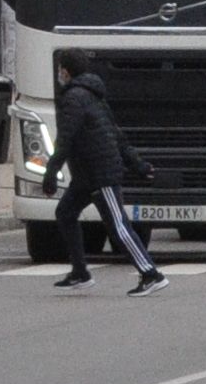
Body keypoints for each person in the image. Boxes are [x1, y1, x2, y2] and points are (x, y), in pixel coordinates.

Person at [50, 61, 164, 293]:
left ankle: (151, 274)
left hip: (99, 174)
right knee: (65, 212)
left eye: (61, 69)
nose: (59, 74)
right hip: (86, 175)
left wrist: (51, 172)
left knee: (118, 226)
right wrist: (137, 164)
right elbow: (116, 134)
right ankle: (80, 272)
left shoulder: (74, 97)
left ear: (67, 71)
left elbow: (65, 139)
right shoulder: (94, 96)